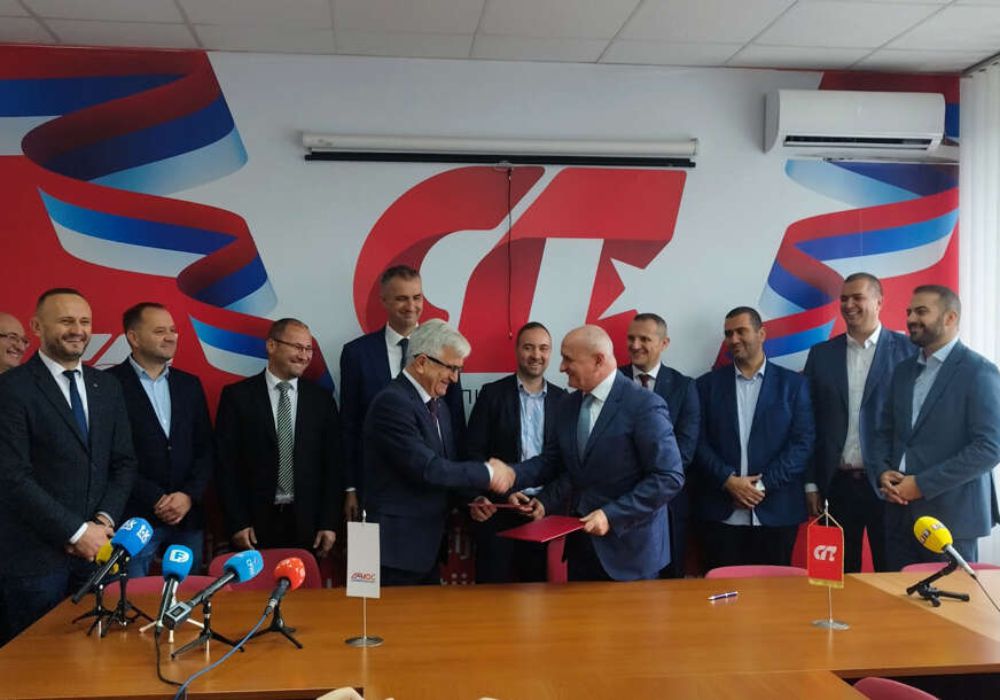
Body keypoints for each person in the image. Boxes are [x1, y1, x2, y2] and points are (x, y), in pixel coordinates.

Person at [0, 288, 136, 645]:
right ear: (36, 327)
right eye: (66, 321)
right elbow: (11, 476)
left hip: (99, 554)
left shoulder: (107, 386)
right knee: (36, 661)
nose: (78, 330)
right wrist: (76, 532)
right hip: (35, 561)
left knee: (100, 657)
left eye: (84, 321)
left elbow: (123, 462)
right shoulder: (11, 388)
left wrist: (103, 522)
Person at [511, 325, 684, 582]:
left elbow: (668, 477)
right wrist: (510, 475)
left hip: (631, 555)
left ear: (598, 360)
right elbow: (556, 463)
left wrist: (611, 515)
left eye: (568, 359)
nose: (561, 367)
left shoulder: (643, 405)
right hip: (582, 548)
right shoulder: (568, 404)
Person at [364, 319, 515, 586]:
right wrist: (488, 473)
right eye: (451, 368)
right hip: (395, 551)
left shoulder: (439, 406)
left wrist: (473, 499)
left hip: (427, 546)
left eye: (458, 369)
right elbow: (428, 468)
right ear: (422, 362)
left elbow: (447, 465)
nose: (455, 378)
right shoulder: (392, 403)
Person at [870, 285, 1000, 570]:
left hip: (951, 519)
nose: (911, 319)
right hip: (899, 513)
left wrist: (921, 485)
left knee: (950, 599)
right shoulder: (903, 371)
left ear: (950, 318)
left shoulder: (979, 372)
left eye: (921, 312)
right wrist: (882, 471)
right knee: (897, 597)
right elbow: (884, 430)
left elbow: (990, 448)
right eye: (909, 312)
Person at [803, 273, 913, 572]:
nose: (849, 305)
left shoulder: (909, 352)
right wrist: (810, 483)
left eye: (857, 298)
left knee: (892, 576)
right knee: (832, 579)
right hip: (834, 485)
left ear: (879, 302)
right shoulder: (821, 354)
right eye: (844, 299)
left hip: (889, 486)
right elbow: (808, 423)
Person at [339, 265, 467, 520]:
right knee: (370, 548)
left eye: (417, 297)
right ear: (384, 300)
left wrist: (459, 492)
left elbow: (455, 423)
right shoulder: (357, 354)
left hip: (432, 492)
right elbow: (349, 425)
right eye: (401, 298)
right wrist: (350, 487)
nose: (411, 306)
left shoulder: (446, 351)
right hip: (376, 491)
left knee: (429, 548)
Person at [693, 307, 814, 570]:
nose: (733, 339)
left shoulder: (793, 385)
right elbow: (697, 442)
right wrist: (728, 481)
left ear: (761, 334)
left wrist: (760, 486)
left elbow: (802, 444)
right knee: (723, 591)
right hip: (721, 512)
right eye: (728, 334)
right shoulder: (705, 386)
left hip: (776, 511)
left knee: (774, 592)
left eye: (741, 331)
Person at [216, 318, 342, 558]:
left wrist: (329, 522)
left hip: (307, 524)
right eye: (297, 347)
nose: (304, 356)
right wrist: (237, 521)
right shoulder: (237, 397)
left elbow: (333, 466)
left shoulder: (321, 400)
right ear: (271, 346)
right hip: (254, 525)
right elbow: (226, 466)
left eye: (308, 349)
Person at [107, 303, 213, 577]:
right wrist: (155, 497)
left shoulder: (189, 384)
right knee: (131, 596)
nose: (170, 337)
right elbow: (107, 456)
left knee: (188, 597)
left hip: (188, 518)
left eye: (173, 330)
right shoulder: (107, 385)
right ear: (133, 337)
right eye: (159, 331)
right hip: (135, 518)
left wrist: (188, 495)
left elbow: (206, 448)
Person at [466, 321, 565, 583]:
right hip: (498, 511)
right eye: (528, 347)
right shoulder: (491, 395)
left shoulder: (563, 400)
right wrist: (505, 493)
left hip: (542, 514)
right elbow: (474, 453)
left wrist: (545, 502)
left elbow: (566, 464)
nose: (536, 355)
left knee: (537, 597)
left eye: (543, 348)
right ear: (517, 350)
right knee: (491, 594)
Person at [620, 312, 699, 578]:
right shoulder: (611, 381)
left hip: (667, 507)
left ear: (664, 343)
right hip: (617, 505)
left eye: (644, 339)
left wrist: (649, 488)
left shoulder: (683, 387)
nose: (635, 345)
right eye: (631, 338)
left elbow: (684, 451)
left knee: (667, 588)